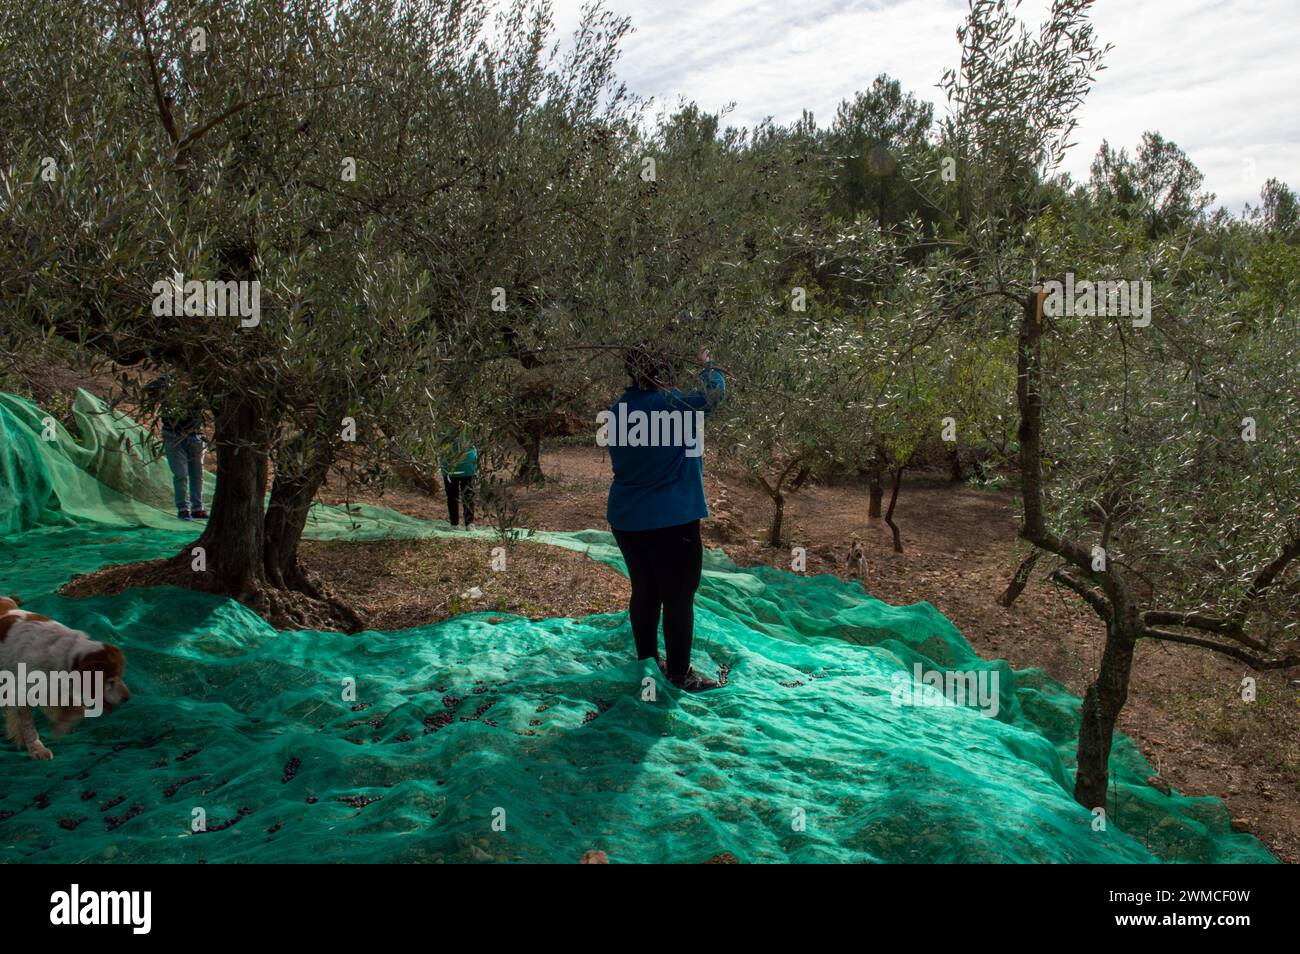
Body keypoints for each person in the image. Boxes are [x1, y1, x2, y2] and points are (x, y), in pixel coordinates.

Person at [605, 344, 725, 692]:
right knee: (678, 596)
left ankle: (647, 660)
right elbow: (715, 392)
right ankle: (678, 674)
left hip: (627, 519)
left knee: (645, 590)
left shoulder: (618, 410)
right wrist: (706, 361)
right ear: (667, 370)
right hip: (671, 519)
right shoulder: (675, 403)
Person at [145, 373, 207, 521]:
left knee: (197, 474)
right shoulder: (167, 380)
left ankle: (198, 508)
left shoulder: (200, 381)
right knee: (180, 474)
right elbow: (150, 391)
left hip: (195, 435)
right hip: (173, 435)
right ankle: (183, 509)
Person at [438, 428, 478, 530]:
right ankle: (454, 523)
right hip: (450, 466)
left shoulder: (469, 424)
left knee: (468, 495)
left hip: (468, 465)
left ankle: (469, 523)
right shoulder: (442, 424)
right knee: (452, 496)